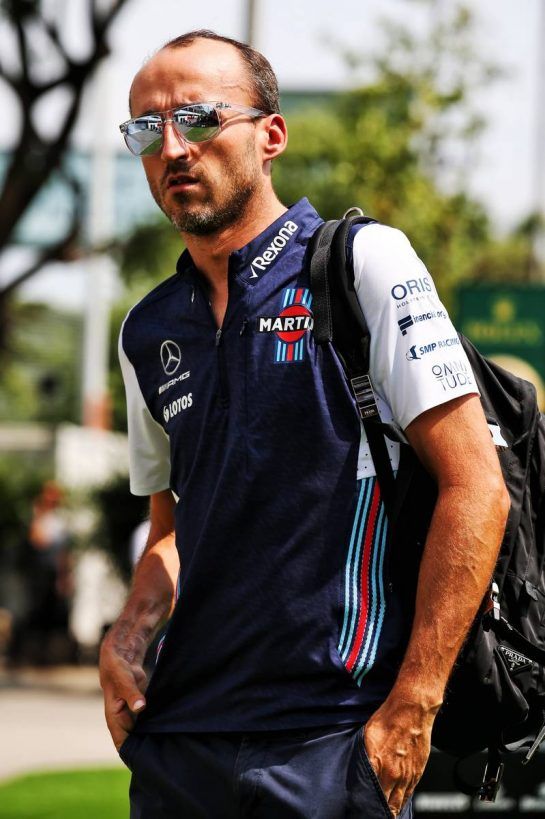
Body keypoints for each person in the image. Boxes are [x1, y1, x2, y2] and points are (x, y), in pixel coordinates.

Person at [99, 30, 510, 818]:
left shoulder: (362, 264)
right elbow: (172, 530)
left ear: (270, 134)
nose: (174, 148)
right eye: (148, 129)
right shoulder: (146, 331)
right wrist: (127, 633)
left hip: (331, 741)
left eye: (198, 117)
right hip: (181, 740)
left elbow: (476, 487)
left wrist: (413, 705)